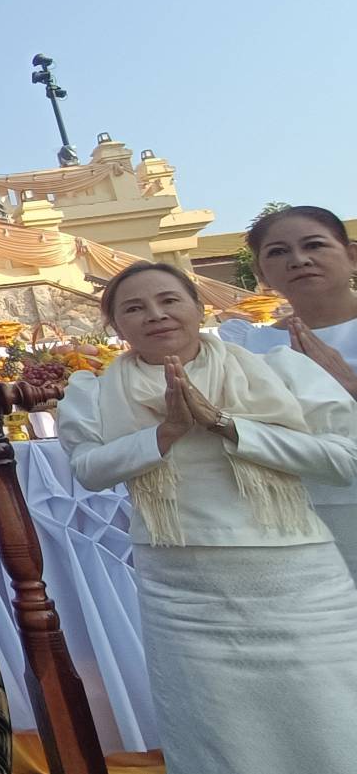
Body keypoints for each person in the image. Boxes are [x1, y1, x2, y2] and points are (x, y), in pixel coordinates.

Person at [59, 261, 357, 770]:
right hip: (183, 585)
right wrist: (164, 433)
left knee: (330, 717)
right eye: (134, 308)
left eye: (170, 300)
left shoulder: (282, 369)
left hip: (298, 575)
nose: (156, 315)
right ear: (116, 326)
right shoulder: (92, 391)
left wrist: (228, 425)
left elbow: (343, 459)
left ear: (199, 308)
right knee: (217, 733)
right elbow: (89, 469)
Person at [219, 205, 357, 574]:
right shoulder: (245, 345)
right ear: (262, 272)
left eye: (314, 245)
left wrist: (350, 388)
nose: (299, 260)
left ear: (351, 255)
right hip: (297, 514)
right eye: (278, 252)